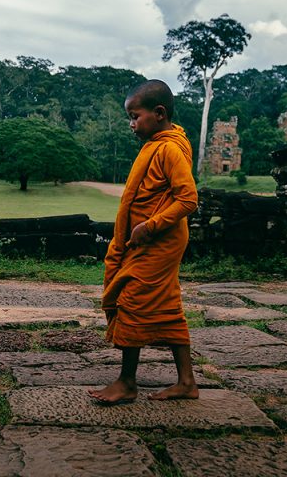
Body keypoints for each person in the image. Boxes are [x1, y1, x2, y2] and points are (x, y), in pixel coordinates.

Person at [88, 80, 199, 404]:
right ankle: (187, 382)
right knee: (167, 305)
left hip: (159, 241)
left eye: (135, 116)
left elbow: (188, 199)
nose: (131, 124)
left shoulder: (169, 148)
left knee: (131, 301)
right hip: (148, 240)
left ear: (159, 113)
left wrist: (150, 226)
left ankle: (127, 382)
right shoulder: (155, 145)